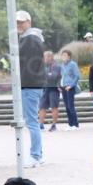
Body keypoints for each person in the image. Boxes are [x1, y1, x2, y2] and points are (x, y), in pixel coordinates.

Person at [16, 10, 45, 167]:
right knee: (33, 121)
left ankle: (35, 156)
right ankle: (38, 154)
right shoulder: (31, 37)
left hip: (30, 84)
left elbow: (28, 63)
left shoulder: (30, 38)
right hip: (33, 84)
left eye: (21, 21)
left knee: (32, 122)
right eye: (17, 22)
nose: (19, 25)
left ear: (29, 21)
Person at [38, 51, 61, 131]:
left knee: (54, 107)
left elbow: (54, 77)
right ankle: (41, 125)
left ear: (51, 57)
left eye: (46, 57)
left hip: (54, 89)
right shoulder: (42, 66)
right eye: (44, 57)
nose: (44, 59)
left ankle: (54, 125)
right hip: (44, 89)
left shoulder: (57, 66)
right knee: (41, 107)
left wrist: (47, 75)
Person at [59, 50, 81, 130]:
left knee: (70, 106)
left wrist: (71, 86)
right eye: (62, 55)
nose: (63, 57)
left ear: (69, 56)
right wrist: (59, 86)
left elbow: (77, 76)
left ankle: (75, 124)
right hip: (63, 87)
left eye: (65, 55)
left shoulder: (72, 64)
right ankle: (70, 124)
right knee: (67, 106)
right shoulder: (62, 65)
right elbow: (61, 77)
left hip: (70, 87)